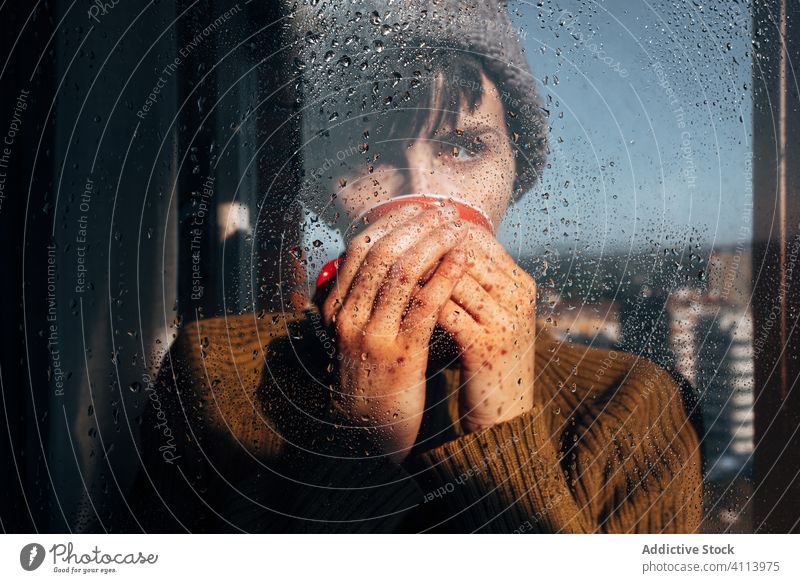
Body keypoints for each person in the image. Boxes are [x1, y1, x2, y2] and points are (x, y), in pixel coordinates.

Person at [131, 1, 702, 533]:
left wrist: (504, 419)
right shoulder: (215, 375)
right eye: (369, 153)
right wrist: (362, 442)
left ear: (514, 167)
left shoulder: (630, 403)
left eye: (464, 148)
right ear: (325, 187)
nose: (425, 195)